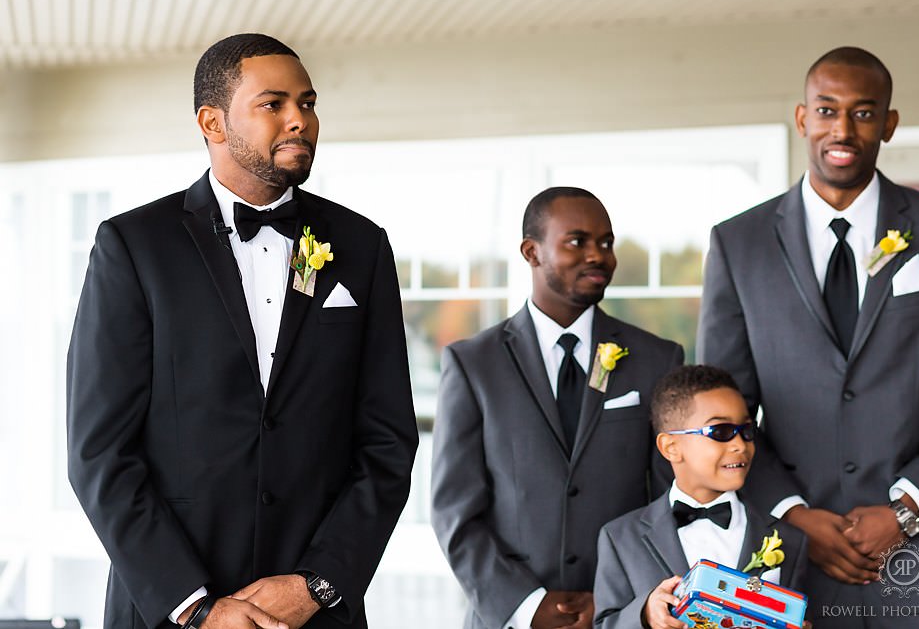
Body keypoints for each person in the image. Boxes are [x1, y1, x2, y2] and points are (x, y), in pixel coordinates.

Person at [67, 33, 418, 629]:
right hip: (170, 610)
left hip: (317, 611)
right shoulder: (132, 246)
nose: (299, 120)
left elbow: (387, 443)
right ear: (212, 121)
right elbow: (99, 453)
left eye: (307, 103)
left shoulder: (362, 247)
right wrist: (195, 607)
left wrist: (320, 583)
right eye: (273, 103)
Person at [697, 46, 919, 627]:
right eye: (827, 110)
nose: (843, 129)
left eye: (863, 113)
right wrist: (791, 512)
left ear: (888, 124)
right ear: (802, 117)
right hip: (784, 557)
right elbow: (725, 414)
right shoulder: (739, 244)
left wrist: (906, 510)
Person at [431, 187, 684, 629]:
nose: (598, 256)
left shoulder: (657, 359)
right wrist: (526, 605)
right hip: (509, 617)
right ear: (532, 251)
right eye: (578, 241)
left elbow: (668, 501)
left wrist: (620, 599)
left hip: (623, 613)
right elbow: (455, 512)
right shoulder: (473, 364)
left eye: (606, 244)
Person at [593, 364, 807, 629]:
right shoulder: (620, 538)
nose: (740, 445)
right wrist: (645, 614)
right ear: (671, 447)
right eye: (721, 432)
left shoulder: (789, 539)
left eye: (747, 430)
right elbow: (605, 624)